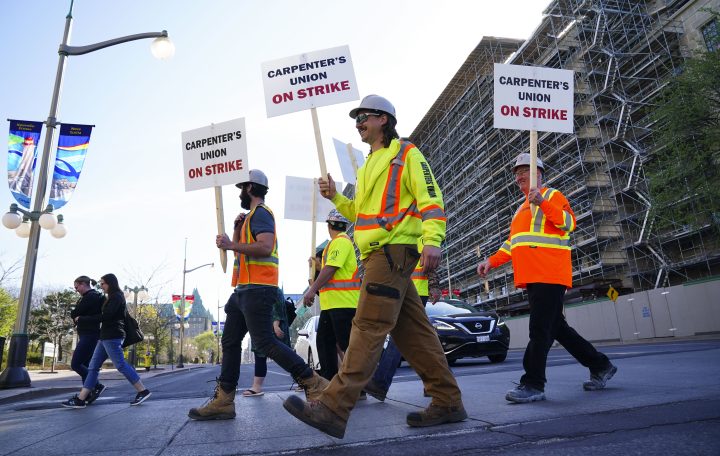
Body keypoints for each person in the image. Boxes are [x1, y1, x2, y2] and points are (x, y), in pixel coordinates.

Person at [283, 95, 466, 439]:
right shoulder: (368, 167)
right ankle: (448, 401)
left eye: (364, 116)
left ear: (384, 119)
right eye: (356, 118)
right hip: (377, 256)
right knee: (414, 333)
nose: (358, 122)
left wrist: (433, 240)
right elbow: (359, 216)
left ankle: (334, 408)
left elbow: (431, 196)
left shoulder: (406, 154)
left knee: (366, 328)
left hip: (393, 252)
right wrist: (336, 198)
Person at [188, 169, 328, 420]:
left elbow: (264, 247)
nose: (240, 193)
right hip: (242, 291)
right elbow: (242, 253)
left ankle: (313, 382)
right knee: (230, 342)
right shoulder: (250, 217)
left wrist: (232, 243)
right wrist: (235, 234)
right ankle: (224, 400)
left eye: (242, 188)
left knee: (264, 343)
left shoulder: (261, 214)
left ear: (251, 188)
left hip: (258, 290)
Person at [477, 153, 617, 403]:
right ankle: (600, 365)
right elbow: (514, 243)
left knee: (539, 329)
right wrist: (491, 261)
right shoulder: (522, 208)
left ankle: (533, 384)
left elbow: (568, 223)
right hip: (533, 275)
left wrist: (541, 201)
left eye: (524, 170)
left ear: (538, 174)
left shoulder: (551, 196)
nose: (519, 175)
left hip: (549, 273)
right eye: (516, 172)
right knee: (558, 329)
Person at [363, 242, 441, 401]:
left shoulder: (417, 230)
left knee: (401, 338)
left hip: (415, 290)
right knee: (420, 338)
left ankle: (380, 383)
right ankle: (439, 383)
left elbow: (429, 259)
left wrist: (434, 286)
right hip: (405, 288)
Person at [61, 273, 151, 408]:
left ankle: (143, 391)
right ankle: (80, 399)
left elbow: (106, 316)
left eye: (102, 283)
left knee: (120, 365)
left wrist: (82, 318)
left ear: (110, 283)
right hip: (105, 337)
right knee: (92, 368)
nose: (100, 286)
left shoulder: (117, 297)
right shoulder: (111, 297)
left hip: (113, 336)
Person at [302, 209, 361, 382]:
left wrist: (312, 290)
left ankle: (357, 386)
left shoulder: (341, 242)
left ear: (329, 225)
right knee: (325, 345)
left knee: (346, 345)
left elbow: (331, 269)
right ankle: (330, 383)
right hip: (332, 306)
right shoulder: (333, 244)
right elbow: (330, 272)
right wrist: (315, 269)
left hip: (344, 304)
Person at [243, 289, 291, 397]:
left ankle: (305, 380)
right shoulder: (251, 289)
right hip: (259, 327)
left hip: (273, 328)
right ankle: (256, 387)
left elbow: (277, 307)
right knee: (260, 356)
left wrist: (276, 325)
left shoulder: (273, 288)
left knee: (286, 356)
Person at [69, 275, 105, 403]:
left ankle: (96, 385)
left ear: (83, 284)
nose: (76, 290)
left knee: (76, 364)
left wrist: (79, 316)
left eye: (77, 287)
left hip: (90, 335)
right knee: (85, 365)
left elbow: (75, 313)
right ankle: (87, 394)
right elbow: (75, 314)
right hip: (89, 334)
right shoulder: (91, 296)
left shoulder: (91, 297)